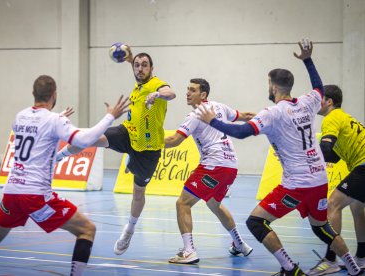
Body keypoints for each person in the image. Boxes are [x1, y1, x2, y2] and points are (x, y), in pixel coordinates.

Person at [195, 41, 363, 276]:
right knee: (321, 227)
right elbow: (319, 88)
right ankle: (355, 269)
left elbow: (243, 133)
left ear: (273, 87)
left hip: (297, 184)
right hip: (319, 180)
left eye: (268, 84)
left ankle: (290, 269)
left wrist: (212, 120)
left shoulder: (272, 113)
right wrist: (308, 60)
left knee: (256, 222)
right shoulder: (308, 103)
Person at [0, 75, 129, 276]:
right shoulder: (55, 120)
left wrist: (57, 119)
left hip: (11, 192)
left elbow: (38, 132)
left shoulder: (20, 116)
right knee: (87, 230)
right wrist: (110, 117)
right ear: (54, 95)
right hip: (36, 196)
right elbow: (84, 139)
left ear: (33, 94)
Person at [56, 45, 176, 255]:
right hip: (127, 133)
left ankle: (129, 229)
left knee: (138, 193)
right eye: (137, 65)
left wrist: (157, 94)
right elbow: (137, 69)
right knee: (91, 138)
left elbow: (170, 93)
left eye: (144, 65)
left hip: (148, 149)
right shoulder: (138, 84)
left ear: (152, 68)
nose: (140, 69)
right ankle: (58, 157)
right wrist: (130, 59)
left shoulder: (156, 84)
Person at [164, 78, 254, 264]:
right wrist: (267, 118)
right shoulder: (219, 107)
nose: (187, 93)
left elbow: (174, 141)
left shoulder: (196, 115)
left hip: (214, 165)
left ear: (203, 94)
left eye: (192, 90)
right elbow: (244, 115)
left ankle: (189, 251)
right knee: (214, 204)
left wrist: (146, 144)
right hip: (231, 166)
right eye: (187, 89)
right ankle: (239, 244)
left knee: (183, 204)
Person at [306, 85, 365, 275]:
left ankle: (330, 259)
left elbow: (325, 149)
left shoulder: (331, 118)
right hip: (361, 165)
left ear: (329, 102)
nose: (317, 103)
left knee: (332, 204)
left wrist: (306, 158)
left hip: (363, 166)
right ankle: (362, 258)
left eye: (320, 99)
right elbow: (334, 156)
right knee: (357, 208)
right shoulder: (344, 117)